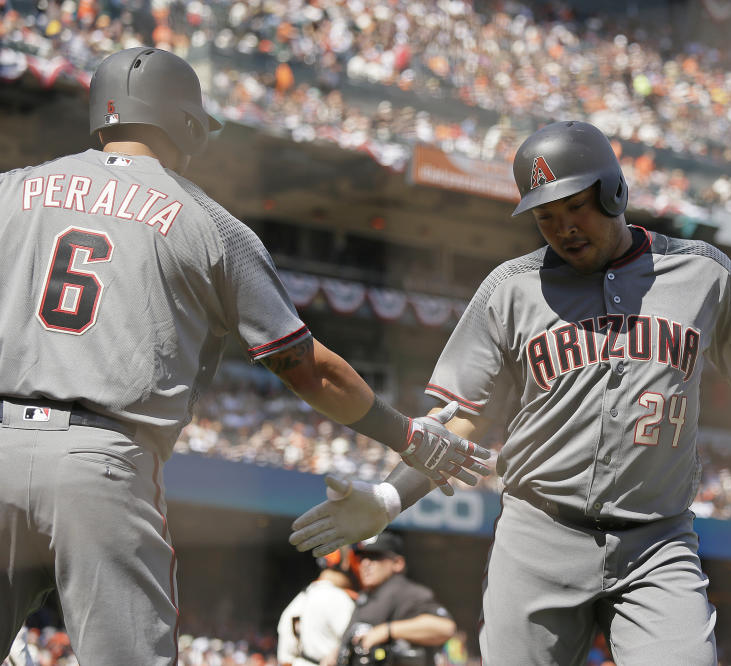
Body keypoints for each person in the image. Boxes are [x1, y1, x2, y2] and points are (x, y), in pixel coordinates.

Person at [290, 121, 731, 664]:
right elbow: (460, 421)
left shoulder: (701, 272)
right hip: (537, 535)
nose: (562, 228)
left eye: (576, 207)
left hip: (657, 541)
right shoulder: (509, 290)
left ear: (614, 193)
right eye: (546, 216)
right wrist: (391, 499)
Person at [0, 46, 489, 666]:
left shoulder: (12, 189)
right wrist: (406, 437)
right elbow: (306, 368)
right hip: (103, 463)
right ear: (187, 125)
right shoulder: (211, 223)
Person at [334, 531, 456, 666]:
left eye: (375, 557)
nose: (366, 563)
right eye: (362, 558)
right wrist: (338, 652)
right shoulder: (366, 596)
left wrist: (387, 631)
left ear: (397, 563)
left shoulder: (408, 592)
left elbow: (445, 628)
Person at [277, 549, 358, 666]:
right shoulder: (336, 597)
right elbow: (356, 641)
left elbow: (285, 659)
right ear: (346, 564)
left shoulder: (298, 600)